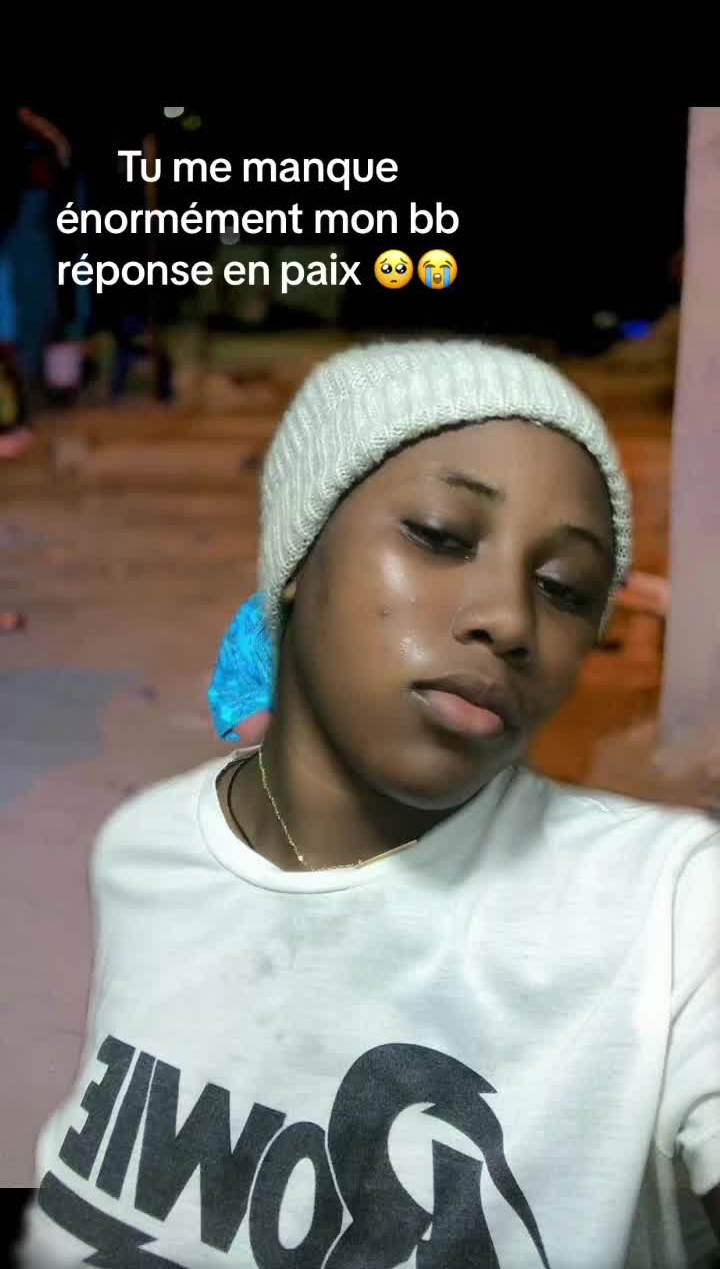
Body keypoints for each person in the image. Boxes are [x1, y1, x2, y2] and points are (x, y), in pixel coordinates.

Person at [17, 341, 720, 1268]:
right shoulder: (151, 855)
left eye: (561, 590)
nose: (508, 618)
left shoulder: (670, 917)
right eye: (438, 533)